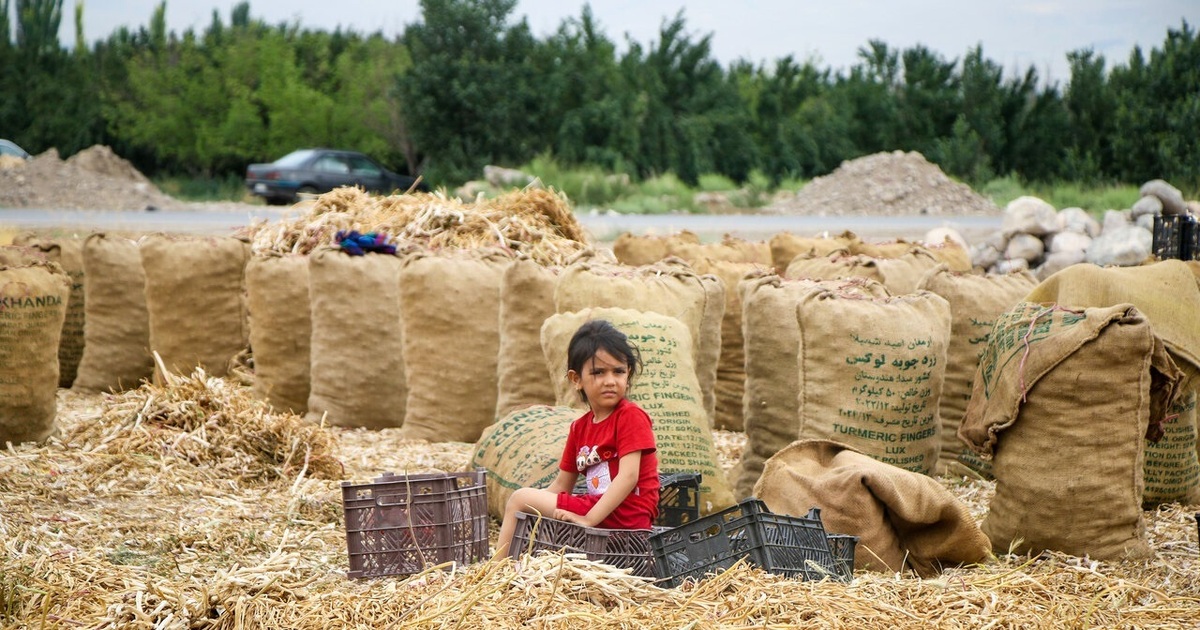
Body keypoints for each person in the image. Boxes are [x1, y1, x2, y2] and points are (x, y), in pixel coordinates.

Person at [495, 319, 660, 555]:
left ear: (628, 373)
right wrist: (539, 501)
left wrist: (589, 518)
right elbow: (562, 485)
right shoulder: (579, 428)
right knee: (523, 499)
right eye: (598, 372)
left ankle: (495, 572)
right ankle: (503, 572)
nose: (610, 381)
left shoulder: (630, 416)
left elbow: (629, 477)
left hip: (627, 515)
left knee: (518, 499)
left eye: (619, 371)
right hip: (599, 510)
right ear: (576, 380)